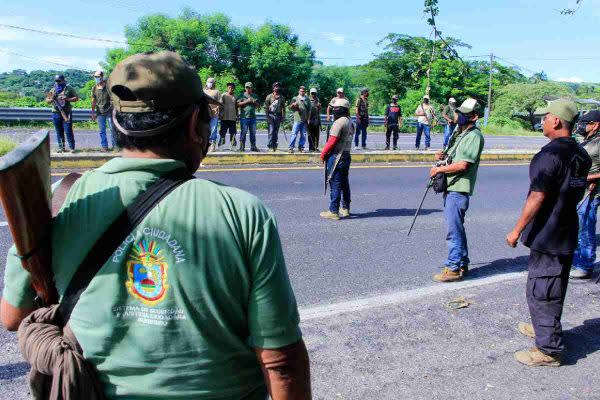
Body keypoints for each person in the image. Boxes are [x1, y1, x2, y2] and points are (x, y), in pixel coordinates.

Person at [1, 51, 312, 399]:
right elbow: (280, 361)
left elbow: (14, 315)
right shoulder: (243, 212)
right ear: (195, 124)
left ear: (117, 123)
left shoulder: (61, 198)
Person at [506, 100, 590, 367]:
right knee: (556, 284)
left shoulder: (550, 155)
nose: (542, 121)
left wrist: (516, 230)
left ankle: (549, 350)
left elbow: (537, 196)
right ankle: (544, 327)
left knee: (542, 289)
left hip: (549, 232)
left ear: (556, 121)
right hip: (566, 228)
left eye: (545, 117)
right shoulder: (581, 153)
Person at [429, 98, 485, 283]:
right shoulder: (461, 133)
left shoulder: (474, 136)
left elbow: (463, 165)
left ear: (474, 117)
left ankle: (453, 268)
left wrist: (439, 169)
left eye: (464, 113)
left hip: (459, 189)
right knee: (457, 229)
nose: (459, 115)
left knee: (453, 231)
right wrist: (443, 157)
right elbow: (454, 158)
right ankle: (462, 263)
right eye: (459, 112)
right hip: (452, 186)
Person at [571, 110, 600, 280]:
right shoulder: (588, 141)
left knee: (585, 228)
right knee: (576, 227)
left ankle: (585, 265)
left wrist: (589, 177)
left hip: (592, 191)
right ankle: (577, 262)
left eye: (585, 123)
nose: (581, 126)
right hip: (579, 190)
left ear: (596, 124)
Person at [319, 97, 354, 221]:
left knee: (335, 183)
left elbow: (332, 141)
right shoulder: (350, 121)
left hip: (337, 156)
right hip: (346, 155)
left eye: (335, 109)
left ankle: (333, 210)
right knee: (344, 183)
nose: (333, 111)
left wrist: (323, 153)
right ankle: (345, 208)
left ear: (341, 110)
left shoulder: (339, 122)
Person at [45, 74, 79, 153]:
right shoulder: (53, 90)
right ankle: (61, 147)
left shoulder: (69, 88)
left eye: (59, 81)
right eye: (56, 81)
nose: (58, 82)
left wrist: (67, 99)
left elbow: (76, 98)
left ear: (63, 80)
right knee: (59, 131)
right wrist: (51, 99)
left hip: (66, 112)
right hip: (56, 113)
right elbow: (47, 101)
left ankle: (72, 148)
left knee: (68, 130)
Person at [91, 70, 117, 152]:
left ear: (102, 77)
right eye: (95, 77)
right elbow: (93, 101)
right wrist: (93, 112)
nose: (96, 78)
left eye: (98, 77)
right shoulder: (94, 88)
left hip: (109, 112)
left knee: (112, 129)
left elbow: (113, 98)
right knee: (102, 131)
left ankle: (115, 146)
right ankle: (104, 147)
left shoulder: (108, 87)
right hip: (99, 112)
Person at [237, 82, 260, 152]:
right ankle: (241, 147)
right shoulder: (242, 95)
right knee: (243, 132)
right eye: (246, 87)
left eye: (249, 87)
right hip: (244, 117)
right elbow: (237, 104)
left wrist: (253, 101)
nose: (248, 89)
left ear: (251, 88)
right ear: (245, 88)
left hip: (253, 117)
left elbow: (258, 106)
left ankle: (253, 146)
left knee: (253, 133)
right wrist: (247, 101)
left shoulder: (255, 96)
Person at [288, 86, 311, 153]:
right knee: (294, 133)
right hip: (297, 119)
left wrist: (309, 119)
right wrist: (293, 105)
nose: (302, 92)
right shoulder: (295, 98)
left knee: (303, 134)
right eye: (301, 91)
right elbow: (290, 107)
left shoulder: (307, 99)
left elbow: (309, 110)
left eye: (303, 91)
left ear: (305, 92)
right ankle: (291, 147)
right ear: (299, 91)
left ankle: (301, 147)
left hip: (305, 120)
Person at [264, 82, 286, 152]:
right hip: (271, 115)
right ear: (273, 88)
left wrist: (283, 117)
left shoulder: (282, 97)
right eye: (276, 86)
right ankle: (270, 146)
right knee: (271, 131)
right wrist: (267, 116)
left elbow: (283, 108)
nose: (277, 88)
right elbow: (266, 107)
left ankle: (274, 146)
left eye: (278, 86)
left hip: (278, 116)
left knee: (276, 132)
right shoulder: (269, 96)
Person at [204, 77, 222, 152]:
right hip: (205, 114)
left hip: (214, 114)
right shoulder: (203, 91)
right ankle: (205, 144)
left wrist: (217, 108)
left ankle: (212, 144)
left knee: (213, 129)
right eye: (208, 82)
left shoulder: (216, 92)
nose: (209, 83)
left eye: (211, 82)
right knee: (205, 129)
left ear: (214, 83)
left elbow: (220, 102)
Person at [219, 82, 238, 149]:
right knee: (222, 133)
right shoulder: (223, 95)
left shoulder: (235, 96)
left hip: (232, 118)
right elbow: (220, 105)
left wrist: (237, 116)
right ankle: (221, 146)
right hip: (224, 118)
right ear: (227, 88)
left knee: (233, 133)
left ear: (234, 89)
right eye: (229, 87)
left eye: (232, 88)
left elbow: (236, 107)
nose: (230, 89)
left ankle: (233, 146)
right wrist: (220, 114)